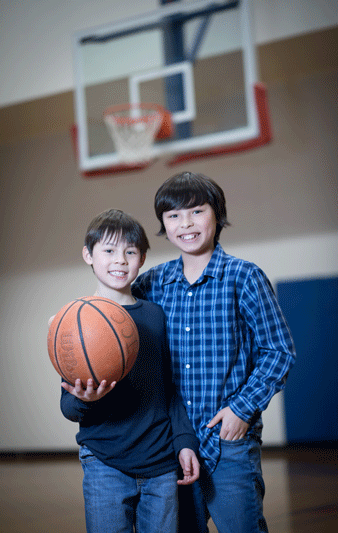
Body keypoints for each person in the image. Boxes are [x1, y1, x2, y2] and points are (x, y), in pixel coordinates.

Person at [132, 172, 296, 533]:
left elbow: (278, 351)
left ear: (216, 215)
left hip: (229, 442)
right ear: (163, 224)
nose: (185, 224)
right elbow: (118, 336)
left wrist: (242, 409)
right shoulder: (150, 284)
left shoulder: (244, 278)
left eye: (196, 211)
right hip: (171, 444)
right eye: (173, 216)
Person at [58, 209, 200, 533]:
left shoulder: (154, 315)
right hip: (105, 462)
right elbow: (68, 406)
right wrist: (85, 398)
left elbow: (168, 388)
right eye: (108, 250)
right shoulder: (78, 321)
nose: (120, 260)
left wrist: (185, 441)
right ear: (88, 255)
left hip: (161, 462)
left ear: (142, 258)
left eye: (130, 251)